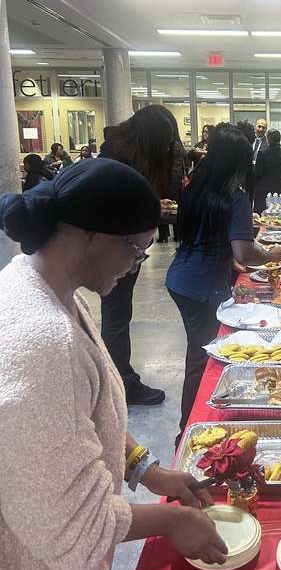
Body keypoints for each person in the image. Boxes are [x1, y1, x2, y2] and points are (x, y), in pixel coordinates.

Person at [0, 159, 227, 570]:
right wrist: (171, 520)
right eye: (136, 250)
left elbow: (81, 420)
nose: (134, 267)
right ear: (88, 234)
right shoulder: (43, 339)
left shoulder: (59, 295)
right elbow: (72, 524)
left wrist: (147, 470)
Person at [166, 125, 281, 444]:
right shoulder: (237, 196)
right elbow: (245, 252)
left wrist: (229, 258)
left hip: (182, 277)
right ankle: (190, 432)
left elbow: (206, 238)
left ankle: (193, 425)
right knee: (205, 358)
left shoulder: (195, 188)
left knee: (201, 355)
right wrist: (273, 254)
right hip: (202, 286)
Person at [99, 104, 179, 406]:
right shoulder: (112, 158)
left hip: (125, 247)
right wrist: (148, 207)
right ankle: (121, 385)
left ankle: (116, 381)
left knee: (118, 314)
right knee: (115, 316)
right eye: (166, 140)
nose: (167, 148)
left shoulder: (127, 154)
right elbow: (107, 206)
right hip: (110, 249)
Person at [253, 129, 281, 214]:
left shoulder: (262, 153)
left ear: (267, 139)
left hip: (264, 191)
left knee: (261, 217)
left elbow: (257, 173)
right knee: (280, 215)